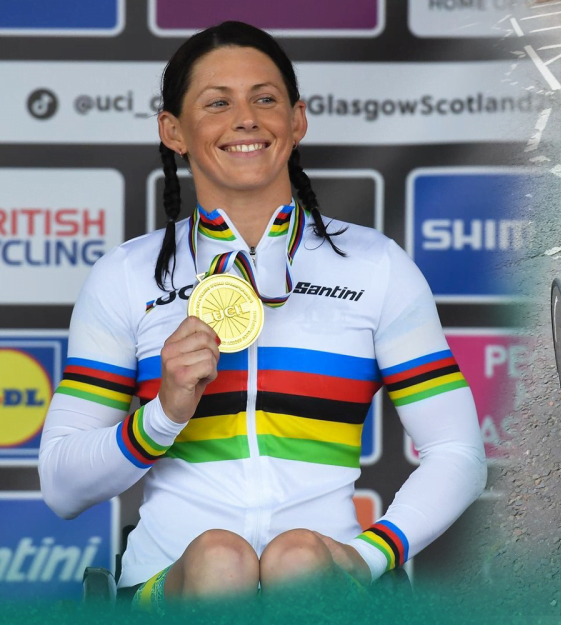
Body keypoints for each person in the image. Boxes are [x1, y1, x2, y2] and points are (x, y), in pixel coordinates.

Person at [38, 21, 486, 612]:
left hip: (323, 576)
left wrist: (370, 556)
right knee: (218, 560)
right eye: (217, 102)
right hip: (166, 582)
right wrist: (162, 416)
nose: (246, 119)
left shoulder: (376, 266)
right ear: (173, 131)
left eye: (265, 99)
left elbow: (459, 451)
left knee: (298, 560)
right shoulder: (126, 275)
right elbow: (61, 486)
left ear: (296, 121)